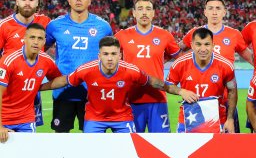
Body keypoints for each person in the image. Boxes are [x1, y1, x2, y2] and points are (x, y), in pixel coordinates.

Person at [41, 36, 197, 133]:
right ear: (99, 55)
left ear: (120, 55)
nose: (110, 58)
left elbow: (155, 82)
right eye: (106, 54)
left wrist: (179, 91)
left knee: (129, 153)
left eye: (114, 54)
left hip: (122, 118)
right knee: (90, 153)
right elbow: (64, 80)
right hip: (95, 118)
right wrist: (40, 87)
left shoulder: (131, 71)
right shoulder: (87, 70)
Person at [180, 0, 253, 133]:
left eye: (218, 9)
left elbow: (252, 59)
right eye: (211, 8)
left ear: (224, 12)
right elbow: (175, 51)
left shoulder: (234, 34)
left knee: (228, 148)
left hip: (227, 101)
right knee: (198, 148)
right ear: (205, 12)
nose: (214, 12)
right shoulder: (194, 33)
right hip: (199, 102)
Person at [46, 0, 113, 133]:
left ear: (89, 1)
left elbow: (112, 56)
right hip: (63, 92)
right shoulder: (55, 25)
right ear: (69, 1)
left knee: (92, 140)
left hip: (92, 93)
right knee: (61, 139)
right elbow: (40, 53)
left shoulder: (103, 26)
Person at [114, 0, 181, 133]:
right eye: (140, 9)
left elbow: (180, 58)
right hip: (129, 99)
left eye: (148, 9)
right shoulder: (122, 36)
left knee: (160, 145)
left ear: (153, 13)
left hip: (157, 98)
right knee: (130, 145)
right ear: (134, 12)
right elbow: (109, 59)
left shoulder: (165, 35)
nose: (144, 12)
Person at [166, 28, 237, 133]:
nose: (203, 49)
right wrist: (181, 91)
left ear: (213, 45)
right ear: (192, 45)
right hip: (188, 119)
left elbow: (232, 90)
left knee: (217, 150)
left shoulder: (226, 66)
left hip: (217, 120)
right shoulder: (180, 64)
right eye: (198, 44)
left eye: (207, 44)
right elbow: (168, 84)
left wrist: (230, 119)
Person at [0, 23, 61, 143]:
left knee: (27, 157)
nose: (36, 41)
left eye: (40, 38)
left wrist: (40, 87)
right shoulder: (8, 61)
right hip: (4, 118)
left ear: (44, 42)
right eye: (32, 37)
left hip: (26, 119)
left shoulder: (47, 61)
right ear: (24, 39)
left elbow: (58, 79)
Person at [0, 0, 51, 127]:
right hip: (8, 91)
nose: (27, 3)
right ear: (17, 2)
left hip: (31, 91)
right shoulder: (4, 26)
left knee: (29, 136)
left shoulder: (45, 22)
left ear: (37, 2)